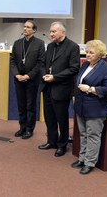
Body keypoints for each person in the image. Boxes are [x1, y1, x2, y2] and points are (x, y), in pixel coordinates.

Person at [71, 40, 107, 175]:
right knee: (83, 134)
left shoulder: (105, 68)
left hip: (95, 108)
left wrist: (91, 89)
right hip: (81, 106)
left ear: (100, 54)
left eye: (91, 53)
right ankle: (82, 158)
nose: (88, 55)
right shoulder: (85, 65)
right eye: (87, 52)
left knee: (93, 135)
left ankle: (90, 162)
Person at [40, 21, 80, 156]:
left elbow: (74, 68)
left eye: (53, 32)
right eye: (50, 31)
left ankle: (62, 145)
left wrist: (55, 77)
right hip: (47, 87)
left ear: (62, 32)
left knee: (61, 119)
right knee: (49, 117)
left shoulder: (73, 47)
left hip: (61, 88)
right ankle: (52, 141)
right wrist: (44, 75)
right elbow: (43, 63)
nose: (51, 34)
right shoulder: (50, 46)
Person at [10, 20, 45, 139]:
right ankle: (22, 127)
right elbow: (13, 61)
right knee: (21, 104)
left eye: (28, 27)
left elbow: (40, 63)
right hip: (18, 79)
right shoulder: (17, 43)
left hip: (32, 80)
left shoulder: (40, 43)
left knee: (30, 105)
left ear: (34, 30)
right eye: (24, 27)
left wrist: (28, 75)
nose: (25, 29)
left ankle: (30, 129)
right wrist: (17, 75)